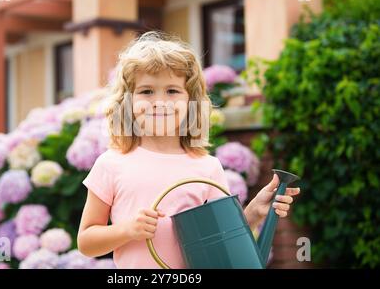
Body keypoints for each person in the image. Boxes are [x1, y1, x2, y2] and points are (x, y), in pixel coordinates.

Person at [77, 31, 300, 268]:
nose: (160, 101)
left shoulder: (207, 167)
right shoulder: (111, 164)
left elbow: (222, 240)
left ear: (191, 101)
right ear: (127, 102)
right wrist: (127, 230)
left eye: (172, 91)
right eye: (146, 91)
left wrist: (253, 213)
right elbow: (86, 242)